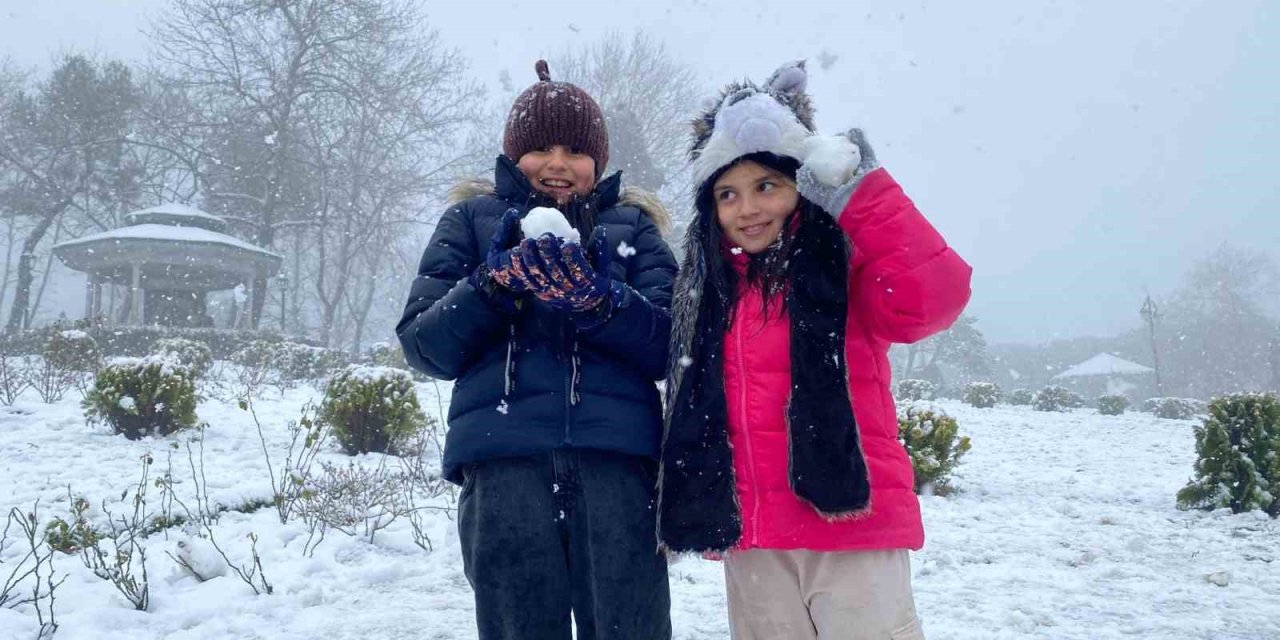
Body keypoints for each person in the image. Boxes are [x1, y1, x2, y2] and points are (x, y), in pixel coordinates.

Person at [657, 61, 972, 639]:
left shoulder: (846, 264)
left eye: (766, 186)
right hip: (754, 539)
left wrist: (862, 194)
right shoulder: (705, 295)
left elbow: (935, 299)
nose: (747, 209)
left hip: (852, 526)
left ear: (803, 185)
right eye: (727, 194)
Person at [397, 60, 676, 640]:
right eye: (541, 148)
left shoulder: (634, 228)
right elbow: (426, 346)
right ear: (513, 154)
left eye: (575, 150)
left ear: (598, 160)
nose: (557, 163)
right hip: (503, 467)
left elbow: (672, 346)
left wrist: (601, 303)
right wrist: (492, 286)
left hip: (617, 467)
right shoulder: (470, 221)